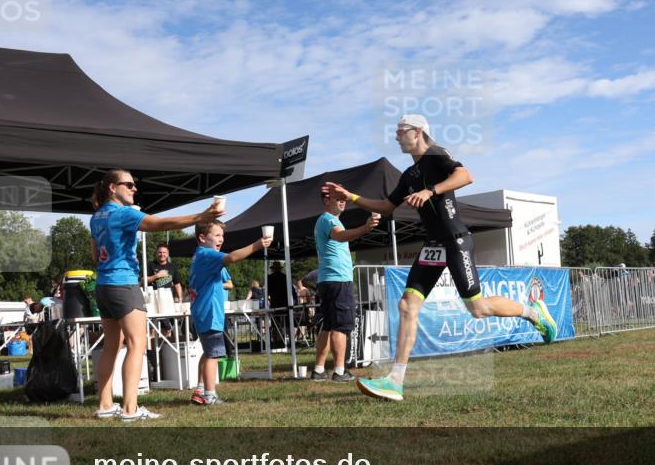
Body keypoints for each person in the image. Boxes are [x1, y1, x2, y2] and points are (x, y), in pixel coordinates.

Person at [322, 114, 557, 402]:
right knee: (408, 304)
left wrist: (430, 190)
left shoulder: (436, 155)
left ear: (418, 132)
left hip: (456, 241)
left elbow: (465, 176)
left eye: (401, 131)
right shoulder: (408, 175)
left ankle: (534, 313)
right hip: (433, 246)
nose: (396, 136)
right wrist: (352, 196)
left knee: (478, 308)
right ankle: (395, 381)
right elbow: (386, 207)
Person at [89, 169, 222, 421]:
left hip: (103, 285)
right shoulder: (125, 213)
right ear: (112, 188)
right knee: (137, 344)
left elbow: (95, 256)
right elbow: (161, 224)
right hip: (123, 284)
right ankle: (130, 409)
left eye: (134, 185)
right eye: (128, 184)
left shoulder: (96, 217)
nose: (134, 188)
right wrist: (201, 216)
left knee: (111, 346)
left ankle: (105, 405)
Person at [188, 221, 270, 405]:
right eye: (216, 235)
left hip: (202, 313)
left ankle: (201, 390)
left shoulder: (199, 256)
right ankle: (209, 395)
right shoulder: (208, 254)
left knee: (208, 352)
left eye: (222, 236)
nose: (221, 239)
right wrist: (257, 245)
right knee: (213, 354)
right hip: (210, 313)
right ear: (202, 237)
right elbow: (232, 257)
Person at [311, 190, 380, 383]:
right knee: (340, 326)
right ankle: (340, 371)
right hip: (337, 280)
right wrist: (365, 228)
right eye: (338, 199)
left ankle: (318, 370)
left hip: (329, 279)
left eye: (344, 199)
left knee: (328, 325)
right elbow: (340, 236)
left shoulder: (327, 220)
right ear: (326, 200)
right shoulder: (328, 220)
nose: (343, 202)